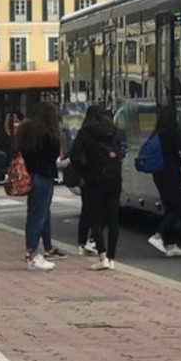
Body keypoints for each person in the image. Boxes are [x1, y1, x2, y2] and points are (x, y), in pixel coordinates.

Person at [16, 101, 66, 271]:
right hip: (44, 175)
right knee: (40, 215)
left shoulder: (25, 130)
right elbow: (54, 155)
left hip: (30, 175)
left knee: (35, 214)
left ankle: (34, 252)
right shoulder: (48, 133)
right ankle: (33, 255)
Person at [79, 105, 122, 270]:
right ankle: (112, 259)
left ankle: (102, 256)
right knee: (113, 219)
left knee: (95, 218)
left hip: (94, 180)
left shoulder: (85, 132)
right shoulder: (113, 130)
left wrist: (85, 171)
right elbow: (119, 152)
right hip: (114, 179)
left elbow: (76, 155)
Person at [147, 105, 181, 257]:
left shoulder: (157, 133)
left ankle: (171, 245)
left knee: (170, 208)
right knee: (178, 207)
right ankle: (157, 236)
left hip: (159, 174)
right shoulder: (170, 133)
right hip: (170, 174)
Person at [67, 113, 97, 257]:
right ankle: (93, 240)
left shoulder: (83, 133)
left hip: (86, 178)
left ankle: (82, 243)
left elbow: (74, 155)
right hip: (99, 177)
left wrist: (82, 170)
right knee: (99, 210)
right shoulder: (104, 132)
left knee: (86, 210)